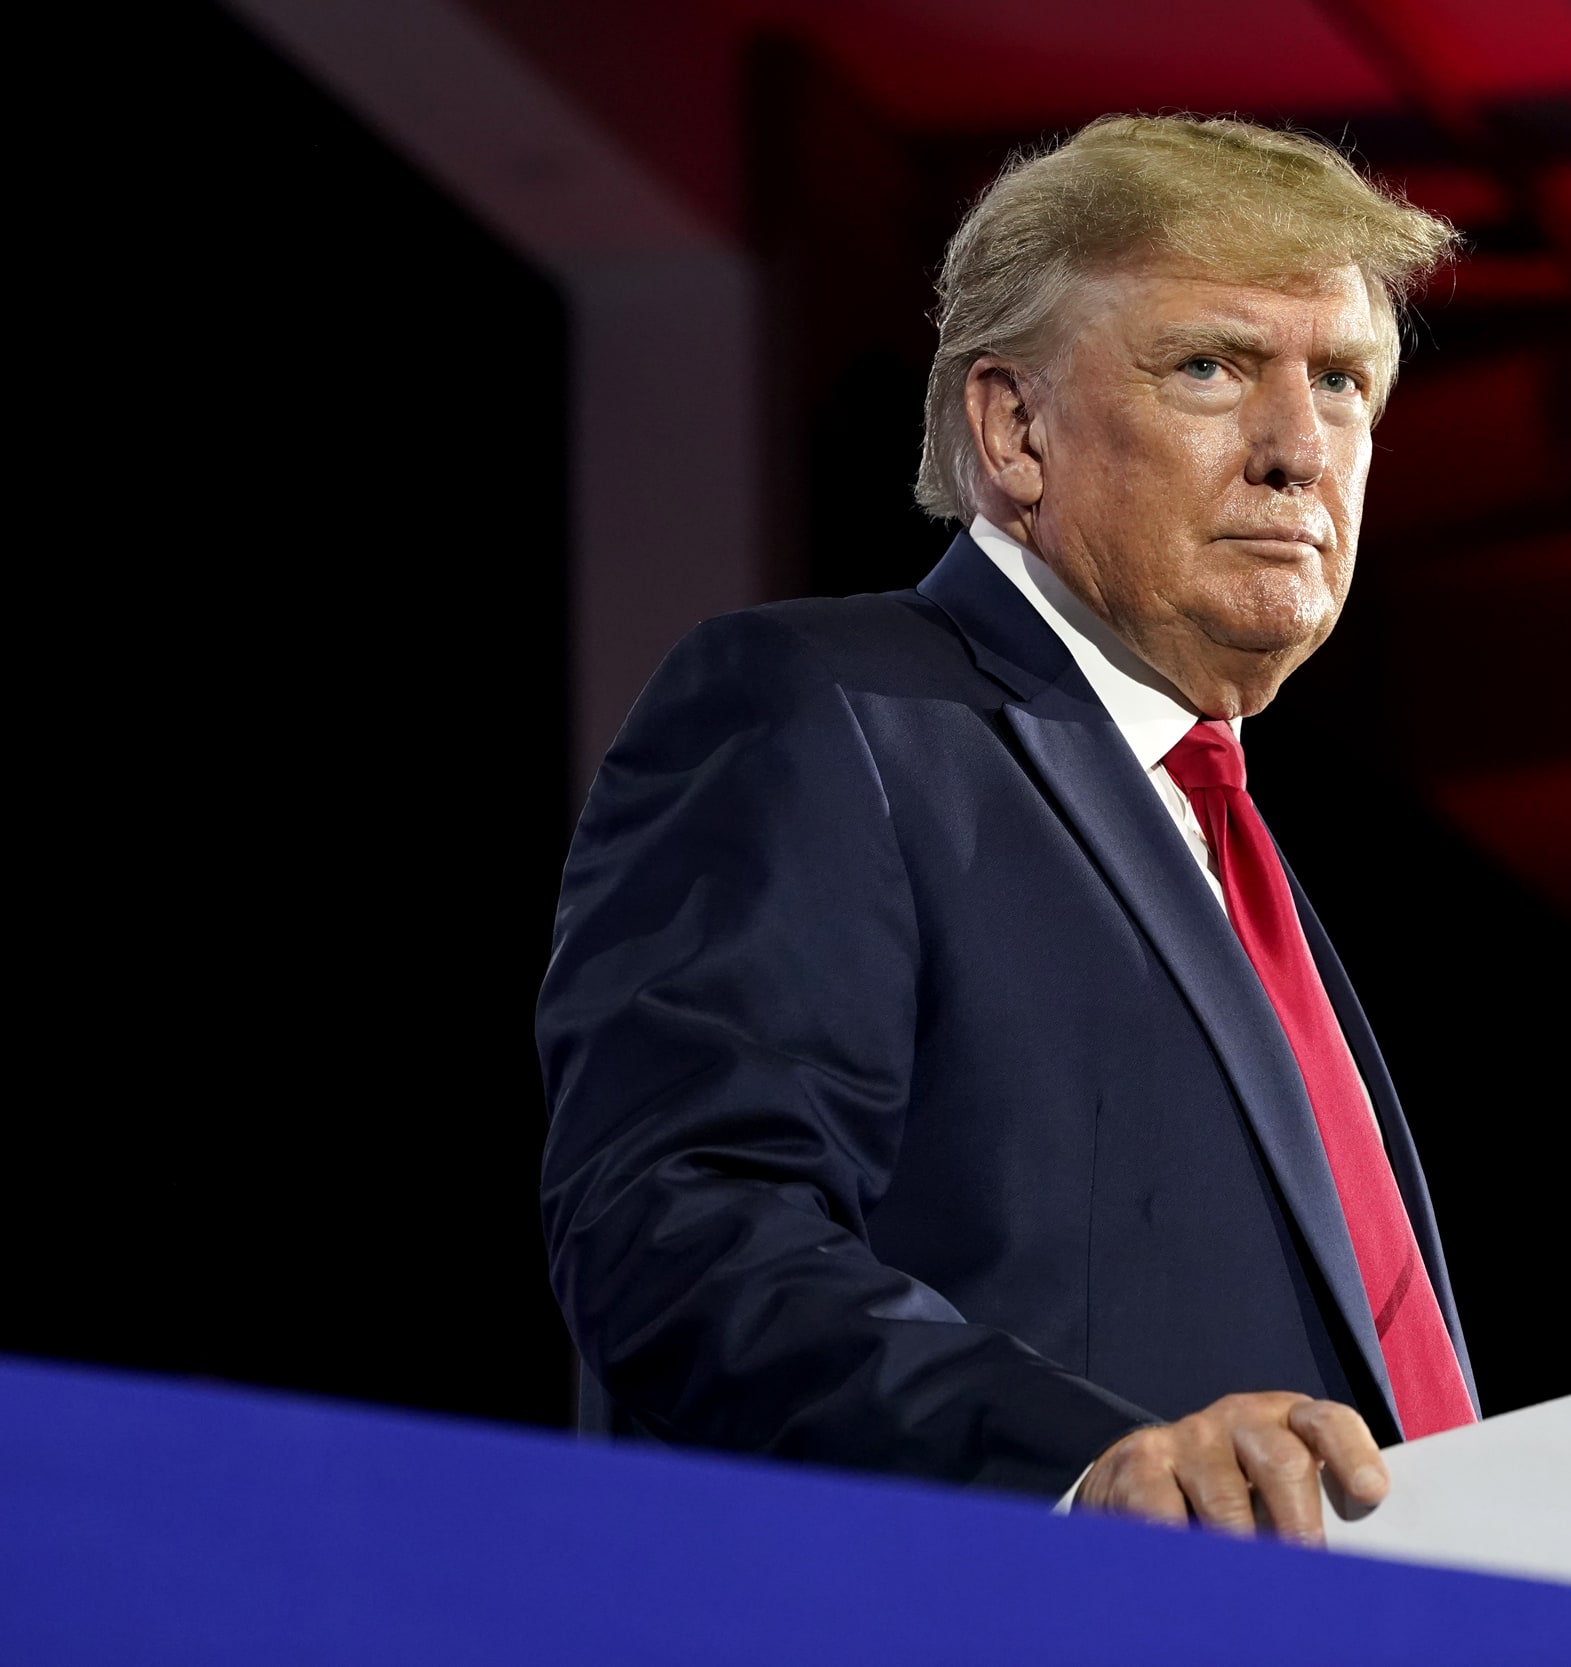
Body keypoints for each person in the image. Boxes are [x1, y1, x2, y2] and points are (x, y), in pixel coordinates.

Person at [538, 115, 1470, 1545]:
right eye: (1212, 367)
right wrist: (1082, 1466)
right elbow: (684, 1228)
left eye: (1342, 381)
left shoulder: (1215, 830)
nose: (1300, 449)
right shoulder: (829, 710)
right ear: (1014, 429)